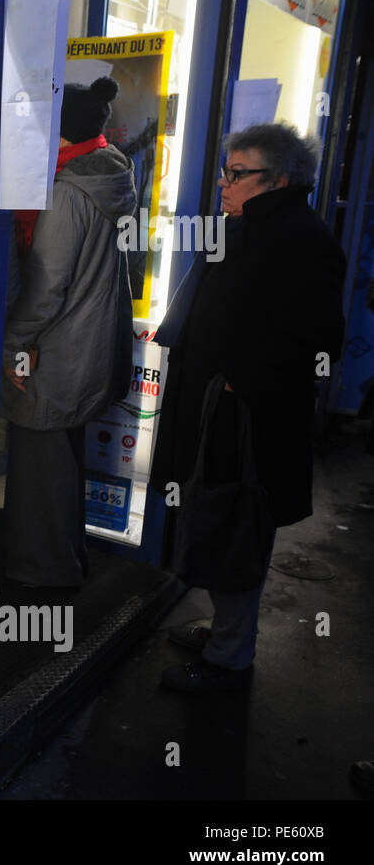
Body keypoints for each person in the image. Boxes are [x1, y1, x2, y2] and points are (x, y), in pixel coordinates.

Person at [152, 123, 346, 692]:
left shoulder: (301, 240)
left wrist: (244, 384)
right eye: (225, 171)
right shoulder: (252, 228)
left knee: (238, 524)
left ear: (279, 180)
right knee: (217, 517)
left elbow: (319, 342)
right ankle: (223, 629)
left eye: (238, 174)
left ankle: (229, 657)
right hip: (217, 409)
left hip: (246, 421)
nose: (224, 183)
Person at [2, 77, 137, 587]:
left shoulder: (66, 193)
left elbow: (44, 289)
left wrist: (12, 347)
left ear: (58, 136)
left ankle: (43, 577)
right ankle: (67, 561)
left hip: (54, 356)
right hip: (90, 350)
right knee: (62, 464)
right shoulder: (113, 173)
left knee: (40, 472)